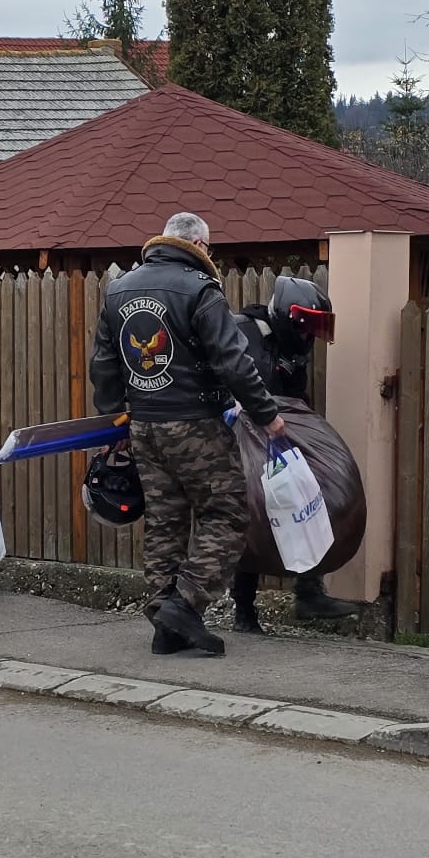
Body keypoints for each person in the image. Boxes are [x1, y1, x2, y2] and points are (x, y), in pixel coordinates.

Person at [89, 213, 287, 657]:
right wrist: (267, 413)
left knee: (165, 520)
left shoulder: (119, 290)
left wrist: (113, 418)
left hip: (144, 425)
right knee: (227, 515)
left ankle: (165, 624)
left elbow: (103, 364)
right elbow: (233, 361)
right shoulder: (200, 289)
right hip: (196, 422)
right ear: (197, 243)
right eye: (209, 248)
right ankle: (187, 602)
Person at [229, 275, 361, 631]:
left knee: (306, 501)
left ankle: (309, 590)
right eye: (306, 326)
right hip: (236, 439)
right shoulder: (243, 332)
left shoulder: (293, 347)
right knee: (252, 515)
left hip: (276, 435)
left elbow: (294, 396)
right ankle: (244, 610)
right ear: (288, 316)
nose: (308, 336)